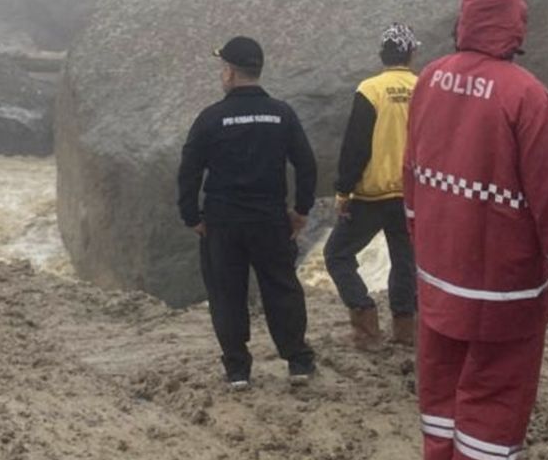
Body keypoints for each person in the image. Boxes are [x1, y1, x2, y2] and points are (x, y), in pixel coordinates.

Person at [404, 0, 548, 460]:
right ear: (515, 26)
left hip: (439, 267)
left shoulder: (430, 79)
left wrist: (421, 244)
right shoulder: (526, 94)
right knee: (496, 385)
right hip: (502, 281)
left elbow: (414, 173)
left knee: (442, 378)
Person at [177, 36, 318, 390]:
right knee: (281, 288)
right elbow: (306, 165)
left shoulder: (210, 118)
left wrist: (191, 216)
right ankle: (298, 361)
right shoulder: (281, 114)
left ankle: (238, 369)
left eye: (222, 67)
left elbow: (189, 170)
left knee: (226, 292)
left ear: (229, 72)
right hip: (270, 219)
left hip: (222, 222)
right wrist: (301, 210)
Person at [324, 23, 420, 351]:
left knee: (337, 254)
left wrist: (343, 190)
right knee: (405, 261)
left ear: (382, 54)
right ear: (411, 53)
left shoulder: (370, 89)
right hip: (410, 194)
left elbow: (356, 144)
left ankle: (366, 325)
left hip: (371, 194)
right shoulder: (423, 89)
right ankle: (406, 330)